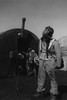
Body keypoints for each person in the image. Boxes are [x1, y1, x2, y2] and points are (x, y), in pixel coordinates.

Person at [33, 26, 62, 100]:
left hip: (50, 61)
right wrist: (38, 59)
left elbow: (58, 54)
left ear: (50, 33)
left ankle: (54, 93)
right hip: (42, 60)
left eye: (46, 31)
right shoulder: (41, 40)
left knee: (53, 77)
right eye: (45, 30)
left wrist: (58, 64)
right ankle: (40, 91)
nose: (44, 32)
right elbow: (39, 50)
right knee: (41, 77)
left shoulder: (54, 42)